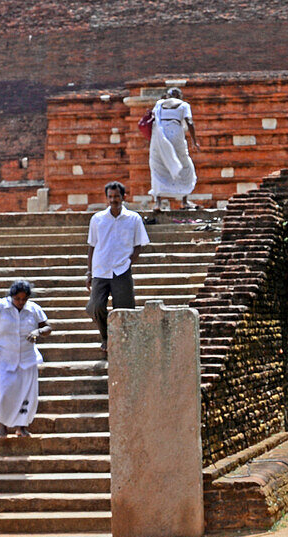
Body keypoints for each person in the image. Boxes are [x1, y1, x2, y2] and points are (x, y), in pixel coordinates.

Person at [0, 281, 51, 438]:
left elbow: (47, 327)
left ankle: (21, 427)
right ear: (11, 296)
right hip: (3, 357)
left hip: (27, 359)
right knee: (4, 391)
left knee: (26, 394)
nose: (21, 302)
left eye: (24, 299)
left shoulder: (33, 309)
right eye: (17, 299)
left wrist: (38, 331)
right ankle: (3, 425)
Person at [86, 181, 149, 355]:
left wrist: (129, 262)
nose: (113, 200)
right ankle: (106, 336)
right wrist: (89, 272)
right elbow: (92, 246)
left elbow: (139, 245)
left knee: (125, 309)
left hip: (121, 270)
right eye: (110, 197)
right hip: (100, 269)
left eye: (116, 197)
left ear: (123, 197)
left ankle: (126, 342)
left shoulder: (133, 219)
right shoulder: (97, 219)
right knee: (96, 306)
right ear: (106, 198)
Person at [148, 87, 202, 210]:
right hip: (176, 135)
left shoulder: (159, 104)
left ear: (167, 96)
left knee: (157, 167)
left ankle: (158, 203)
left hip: (159, 137)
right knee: (185, 166)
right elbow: (189, 122)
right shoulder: (183, 105)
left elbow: (152, 119)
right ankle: (184, 201)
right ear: (180, 96)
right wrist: (194, 141)